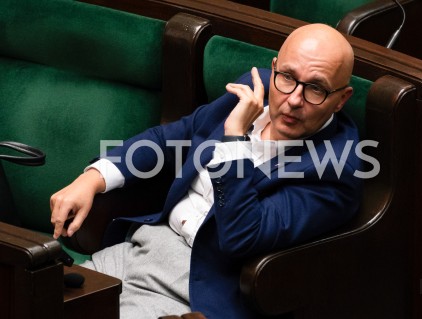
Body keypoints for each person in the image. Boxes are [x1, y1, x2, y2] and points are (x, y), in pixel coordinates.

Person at [50, 23, 361, 319]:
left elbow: (241, 235)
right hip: (136, 249)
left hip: (194, 287)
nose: (293, 99)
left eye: (316, 89)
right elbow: (169, 138)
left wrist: (235, 139)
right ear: (275, 66)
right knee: (33, 299)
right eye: (287, 77)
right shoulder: (255, 90)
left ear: (340, 99)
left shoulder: (336, 170)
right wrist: (93, 178)